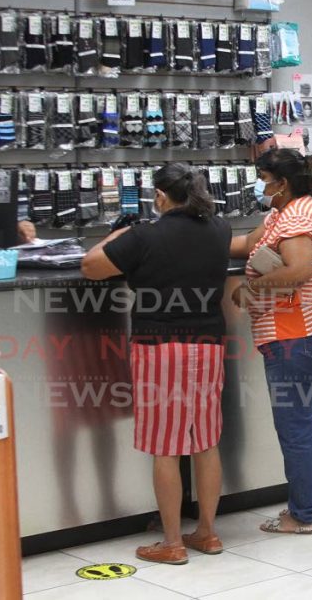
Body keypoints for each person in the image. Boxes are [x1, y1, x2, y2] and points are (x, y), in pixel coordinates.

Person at [81, 163, 231, 565]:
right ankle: (207, 532)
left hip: (160, 346)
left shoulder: (144, 235)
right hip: (209, 344)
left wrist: (119, 233)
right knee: (205, 441)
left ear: (161, 197)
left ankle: (171, 542)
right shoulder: (219, 229)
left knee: (166, 446)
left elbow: (91, 265)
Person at [230, 148, 312, 535]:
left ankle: (303, 516)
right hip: (307, 330)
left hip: (296, 335)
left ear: (283, 182)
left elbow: (298, 271)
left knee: (293, 426)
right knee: (304, 422)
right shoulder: (284, 211)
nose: (261, 185)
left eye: (265, 178)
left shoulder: (297, 216)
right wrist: (198, 236)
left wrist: (251, 286)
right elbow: (247, 244)